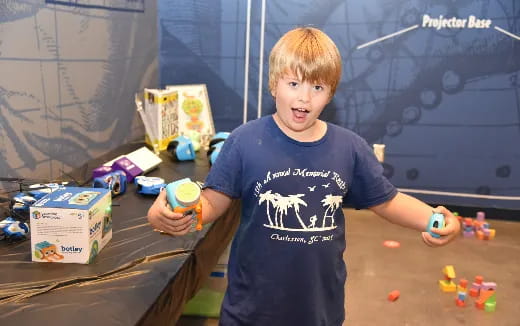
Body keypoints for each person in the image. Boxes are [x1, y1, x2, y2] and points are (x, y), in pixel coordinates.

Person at [147, 26, 460, 326]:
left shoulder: (349, 148)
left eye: (318, 87)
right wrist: (173, 214)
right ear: (273, 85)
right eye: (293, 84)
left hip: (319, 306)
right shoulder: (244, 141)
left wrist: (435, 219)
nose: (304, 98)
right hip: (251, 307)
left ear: (330, 93)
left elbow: (388, 201)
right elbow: (212, 202)